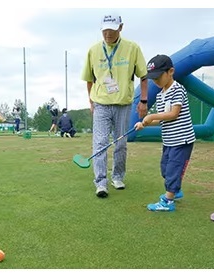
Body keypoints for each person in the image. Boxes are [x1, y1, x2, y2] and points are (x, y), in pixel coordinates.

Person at [81, 13, 149, 198]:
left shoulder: (132, 48)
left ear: (120, 27)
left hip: (123, 104)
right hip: (101, 103)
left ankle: (118, 176)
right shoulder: (93, 50)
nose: (108, 34)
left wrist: (143, 100)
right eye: (105, 30)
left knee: (121, 143)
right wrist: (91, 101)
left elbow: (143, 76)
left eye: (111, 30)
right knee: (100, 143)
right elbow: (89, 79)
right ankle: (100, 182)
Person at [134, 54, 195, 212]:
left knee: (173, 169)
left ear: (171, 71)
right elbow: (161, 119)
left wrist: (151, 116)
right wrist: (144, 123)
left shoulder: (178, 89)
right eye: (152, 78)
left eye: (158, 76)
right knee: (165, 169)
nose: (155, 81)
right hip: (169, 140)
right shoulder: (160, 95)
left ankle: (168, 201)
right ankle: (176, 190)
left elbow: (173, 114)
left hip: (181, 139)